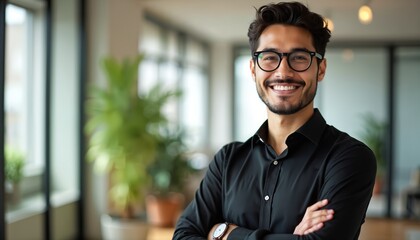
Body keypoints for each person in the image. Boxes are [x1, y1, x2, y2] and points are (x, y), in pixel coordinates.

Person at [173, 2, 376, 240]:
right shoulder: (228, 161)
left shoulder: (349, 158)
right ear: (253, 70)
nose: (283, 71)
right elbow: (184, 235)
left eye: (299, 57)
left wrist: (227, 234)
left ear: (320, 69)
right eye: (269, 57)